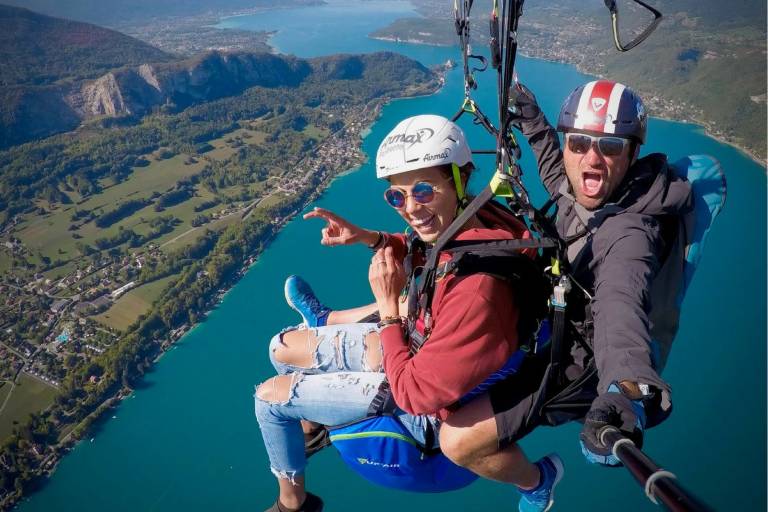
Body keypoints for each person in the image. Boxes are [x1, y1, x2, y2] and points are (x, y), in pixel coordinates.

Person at [285, 80, 696, 490]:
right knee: (419, 294)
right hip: (547, 305)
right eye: (579, 143)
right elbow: (555, 169)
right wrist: (532, 118)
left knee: (458, 440)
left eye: (609, 147)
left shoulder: (629, 236)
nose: (591, 159)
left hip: (573, 359)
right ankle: (327, 319)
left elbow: (621, 306)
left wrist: (625, 388)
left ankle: (536, 484)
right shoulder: (590, 190)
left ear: (632, 151)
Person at [255, 114, 563, 512]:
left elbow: (414, 396)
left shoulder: (478, 293)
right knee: (280, 347)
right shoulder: (479, 215)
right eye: (396, 197)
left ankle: (292, 504)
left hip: (423, 399)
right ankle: (312, 429)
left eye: (422, 190)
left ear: (459, 178)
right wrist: (373, 238)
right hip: (423, 347)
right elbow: (434, 249)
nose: (410, 207)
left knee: (268, 399)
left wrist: (388, 308)